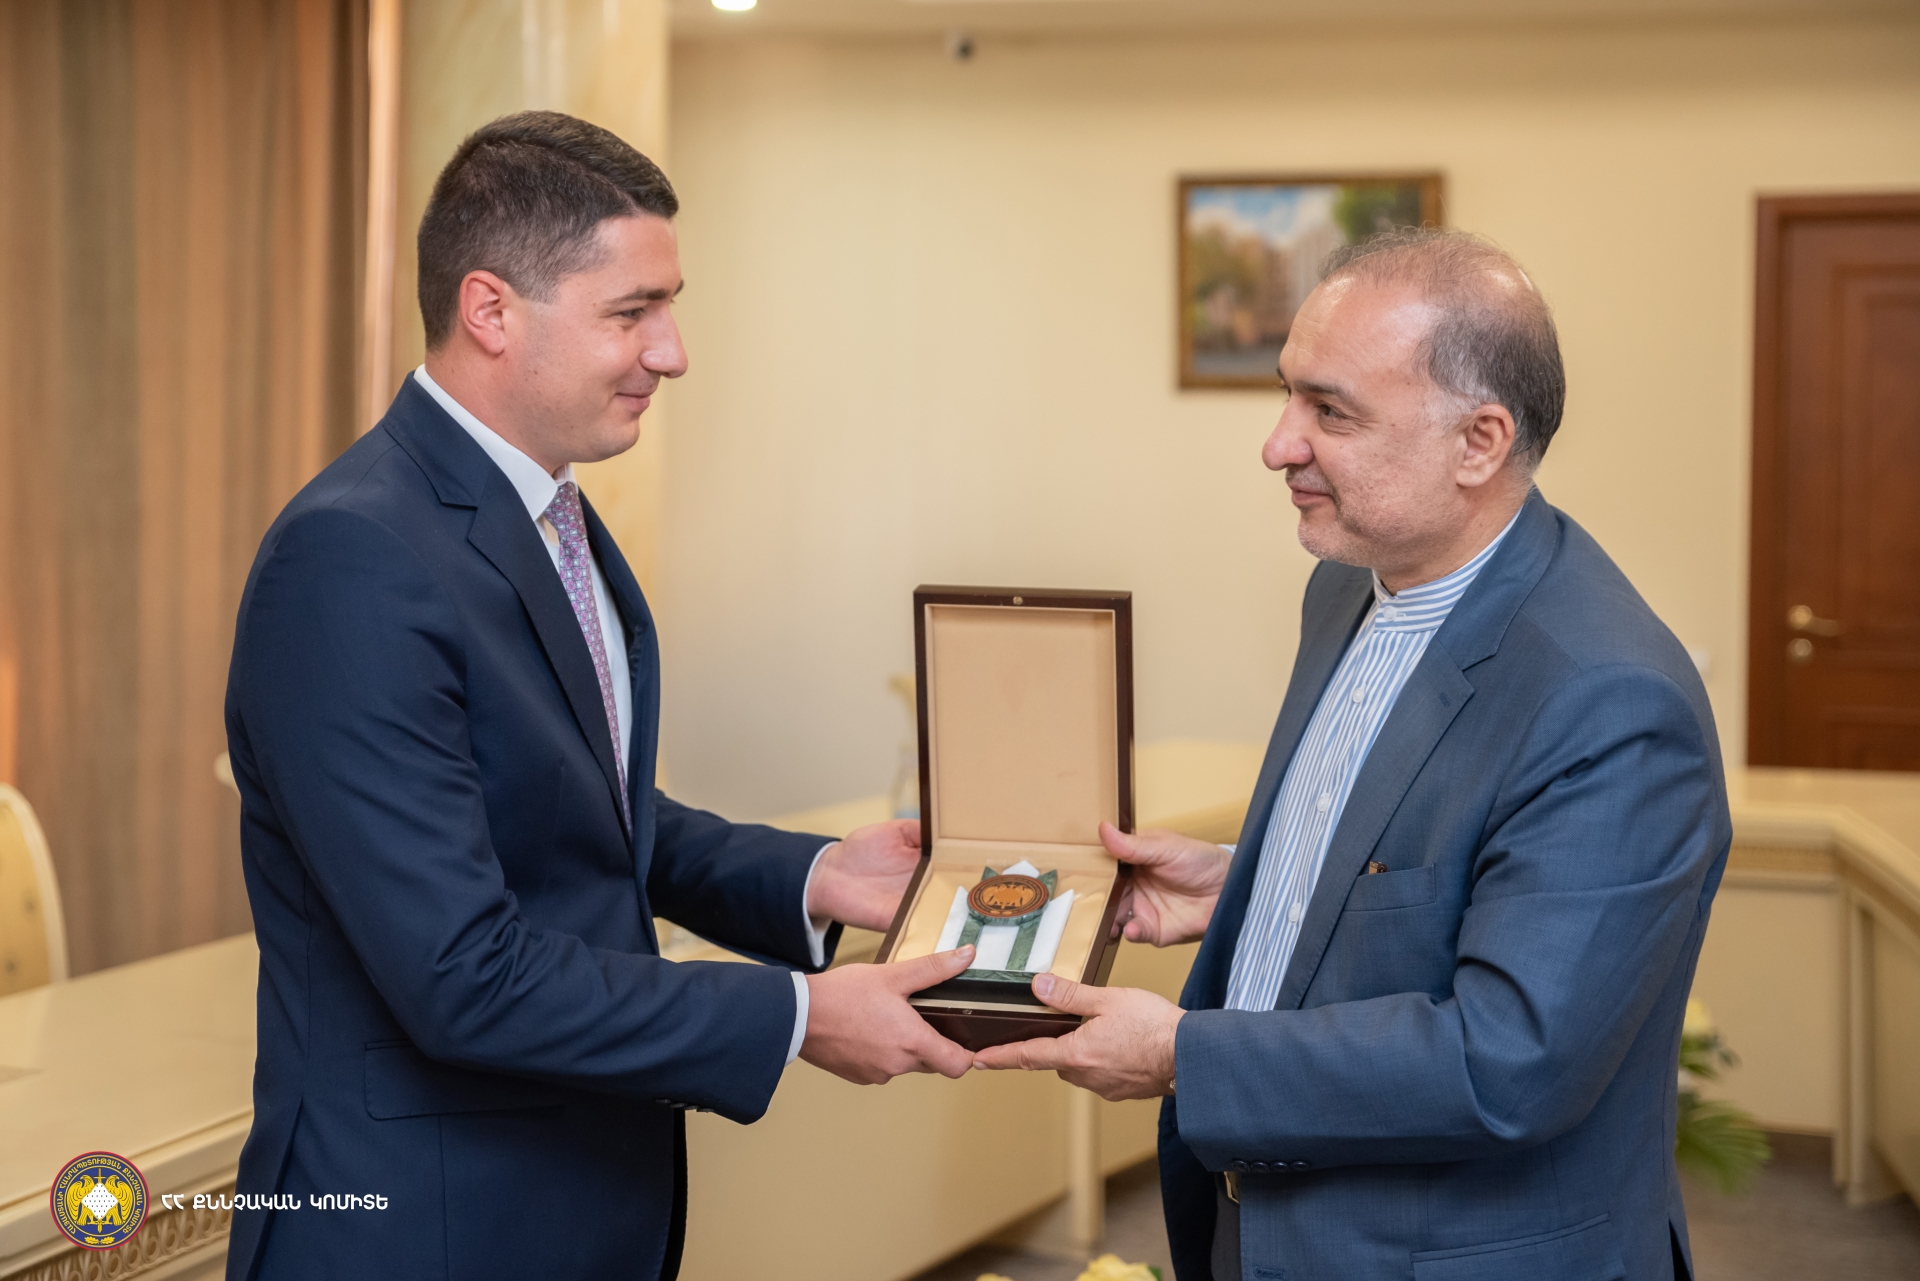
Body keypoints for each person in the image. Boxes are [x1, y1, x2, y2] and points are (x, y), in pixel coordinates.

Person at [222, 111, 974, 1281]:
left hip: (569, 1198)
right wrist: (798, 1015)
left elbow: (574, 813)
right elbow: (462, 976)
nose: (672, 353)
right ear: (490, 311)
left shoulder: (548, 511)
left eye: (669, 307)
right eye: (633, 313)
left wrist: (815, 877)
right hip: (427, 1227)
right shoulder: (352, 558)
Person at [975, 229, 1730, 1281]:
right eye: (1287, 395)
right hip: (1269, 1225)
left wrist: (1180, 1054)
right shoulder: (1347, 586)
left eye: (1330, 412)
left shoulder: (1609, 699)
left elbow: (1508, 1060)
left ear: (1479, 442)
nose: (1278, 445)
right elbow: (1425, 849)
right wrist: (1247, 882)